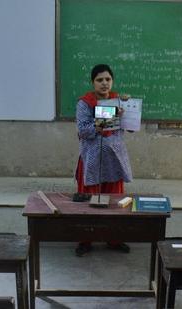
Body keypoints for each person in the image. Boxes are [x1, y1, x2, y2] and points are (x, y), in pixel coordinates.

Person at [74, 64, 133, 257]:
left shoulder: (120, 101)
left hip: (114, 160)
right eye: (100, 80)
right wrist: (113, 115)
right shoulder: (84, 103)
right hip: (92, 160)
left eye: (108, 79)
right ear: (93, 82)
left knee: (115, 203)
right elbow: (84, 131)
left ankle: (114, 239)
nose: (104, 83)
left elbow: (131, 127)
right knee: (89, 203)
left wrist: (130, 110)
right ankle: (85, 240)